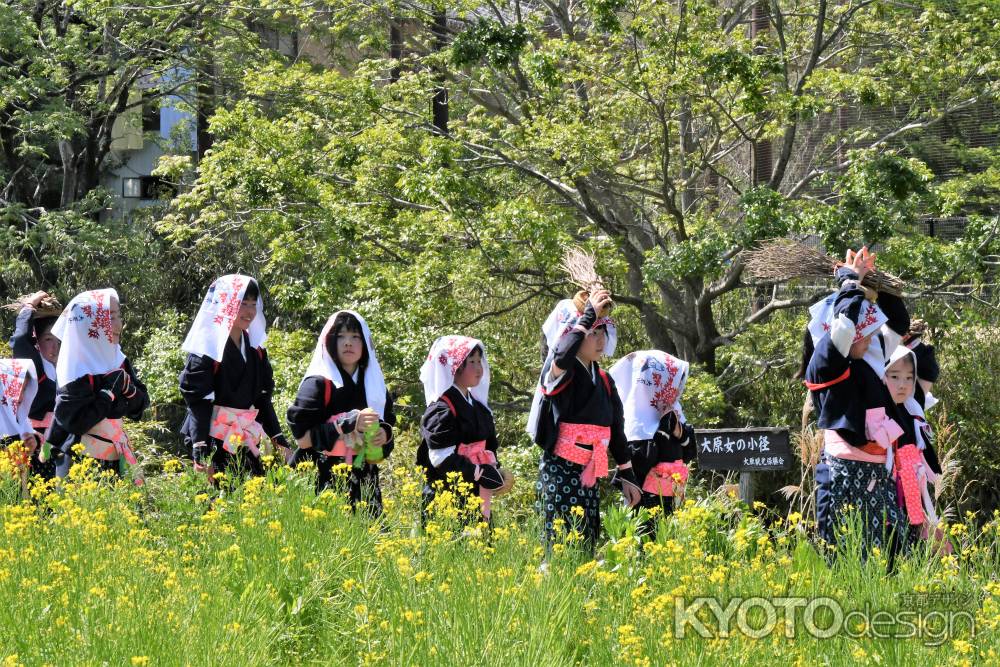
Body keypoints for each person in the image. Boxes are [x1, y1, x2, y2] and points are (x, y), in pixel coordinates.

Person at [528, 289, 640, 550]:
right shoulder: (562, 373)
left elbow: (616, 429)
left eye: (602, 331)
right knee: (560, 545)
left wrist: (627, 473)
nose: (599, 340)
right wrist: (588, 314)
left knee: (587, 542)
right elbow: (561, 356)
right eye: (592, 332)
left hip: (590, 474)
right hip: (560, 473)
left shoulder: (603, 379)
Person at [287, 310, 396, 515]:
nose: (348, 343)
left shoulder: (374, 385)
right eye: (341, 337)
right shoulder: (318, 383)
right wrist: (348, 423)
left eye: (355, 337)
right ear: (330, 342)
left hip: (364, 480)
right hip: (321, 477)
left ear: (365, 344)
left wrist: (384, 435)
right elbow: (302, 439)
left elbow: (388, 423)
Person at [51, 289, 148, 481]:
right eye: (110, 317)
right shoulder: (75, 369)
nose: (119, 325)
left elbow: (140, 407)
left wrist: (129, 389)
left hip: (117, 456)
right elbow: (73, 422)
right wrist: (106, 394)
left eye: (119, 316)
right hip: (81, 463)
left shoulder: (118, 360)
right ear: (90, 325)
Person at [417, 335, 511, 524]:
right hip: (447, 495)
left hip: (476, 492)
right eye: (471, 361)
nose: (479, 368)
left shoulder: (479, 407)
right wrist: (480, 472)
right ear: (455, 365)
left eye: (479, 361)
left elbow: (489, 447)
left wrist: (498, 472)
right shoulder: (440, 409)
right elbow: (440, 458)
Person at [608, 350, 696, 537]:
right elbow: (639, 461)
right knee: (644, 543)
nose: (673, 387)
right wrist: (663, 432)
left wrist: (677, 431)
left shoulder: (675, 413)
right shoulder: (636, 419)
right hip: (645, 500)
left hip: (673, 498)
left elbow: (689, 453)